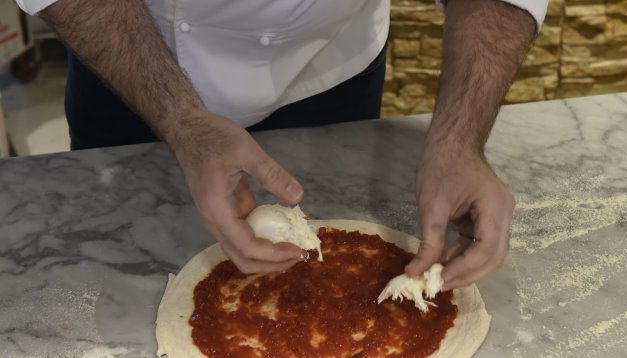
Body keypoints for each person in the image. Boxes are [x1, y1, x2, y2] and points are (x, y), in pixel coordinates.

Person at [17, 0, 548, 290]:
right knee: (113, 282)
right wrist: (179, 119)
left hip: (327, 67)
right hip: (133, 62)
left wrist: (460, 139)